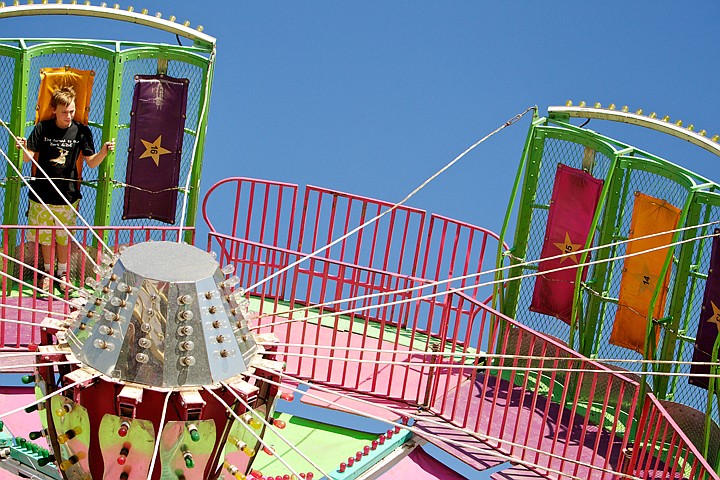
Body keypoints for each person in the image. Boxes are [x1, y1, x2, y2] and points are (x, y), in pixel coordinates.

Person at [16, 86, 115, 294]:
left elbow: (91, 163)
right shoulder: (43, 128)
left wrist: (104, 152)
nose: (68, 116)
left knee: (63, 236)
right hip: (41, 194)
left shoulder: (81, 131)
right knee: (44, 236)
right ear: (54, 110)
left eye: (71, 111)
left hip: (67, 196)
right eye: (64, 112)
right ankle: (46, 273)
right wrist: (23, 147)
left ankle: (62, 274)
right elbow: (28, 158)